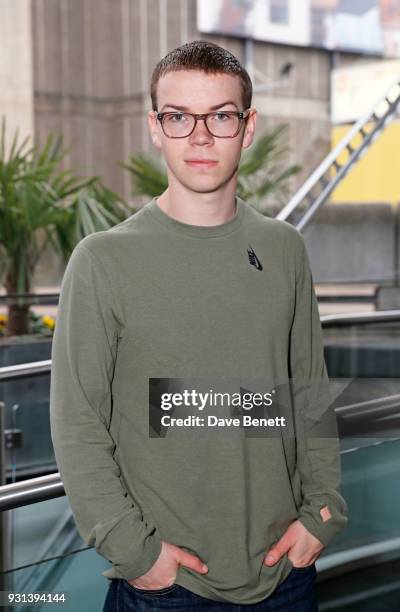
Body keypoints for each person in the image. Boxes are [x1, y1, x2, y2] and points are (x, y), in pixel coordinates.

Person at [49, 40, 348, 611]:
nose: (202, 136)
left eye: (221, 115)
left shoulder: (283, 249)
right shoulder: (102, 260)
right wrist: (135, 553)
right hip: (165, 589)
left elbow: (307, 391)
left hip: (285, 574)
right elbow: (78, 423)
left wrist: (323, 512)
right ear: (155, 128)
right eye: (179, 117)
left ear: (248, 125)